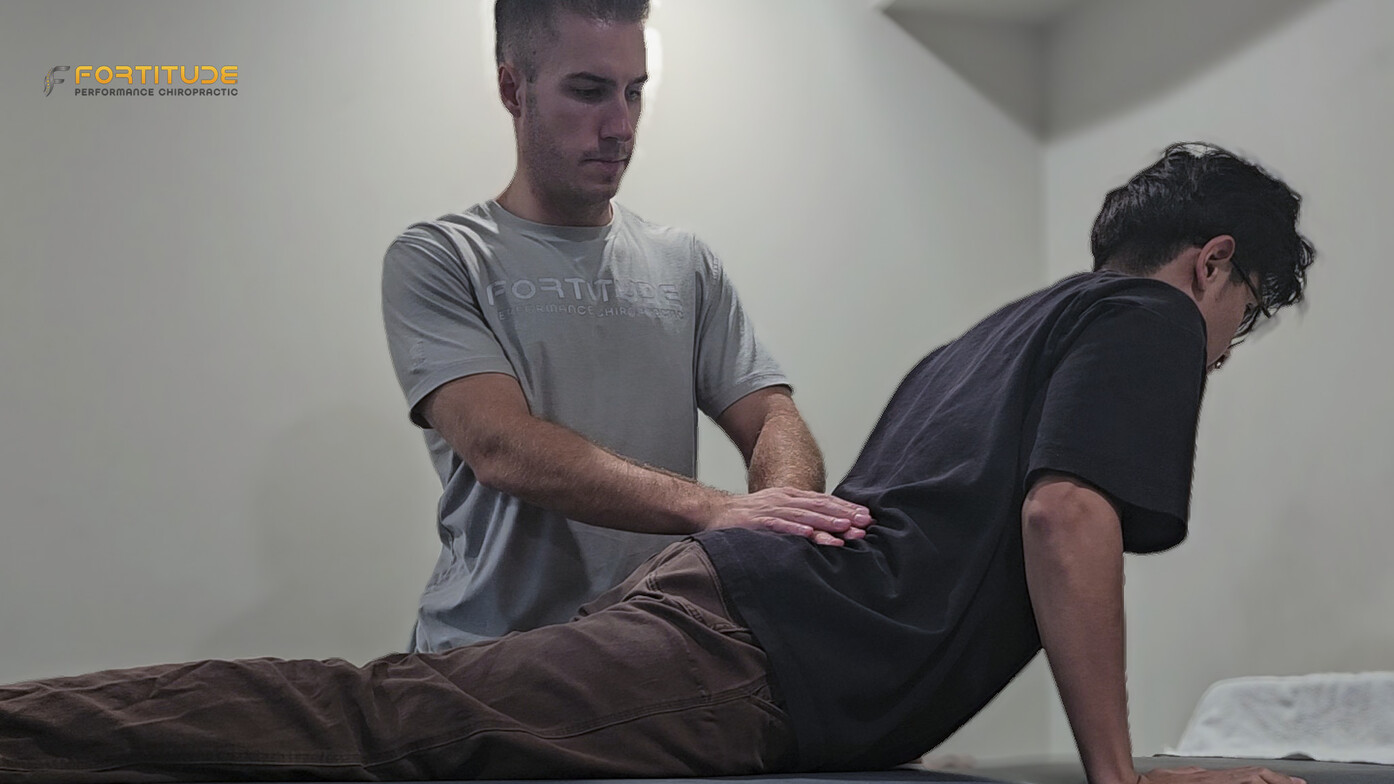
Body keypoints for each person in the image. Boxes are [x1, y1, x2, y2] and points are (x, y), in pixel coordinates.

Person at [0, 143, 1315, 784]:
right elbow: (1064, 514)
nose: (1223, 347)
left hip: (724, 616)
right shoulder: (1143, 318)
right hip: (743, 650)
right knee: (375, 725)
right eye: (1241, 316)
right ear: (1212, 265)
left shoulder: (1003, 330)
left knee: (388, 721)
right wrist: (1118, 776)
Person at [382, 0, 871, 651]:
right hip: (485, 659)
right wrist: (718, 510)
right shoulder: (441, 258)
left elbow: (772, 417)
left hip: (650, 658)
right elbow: (500, 447)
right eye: (588, 92)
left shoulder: (684, 263)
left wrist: (776, 523)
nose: (620, 126)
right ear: (512, 89)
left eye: (634, 93)